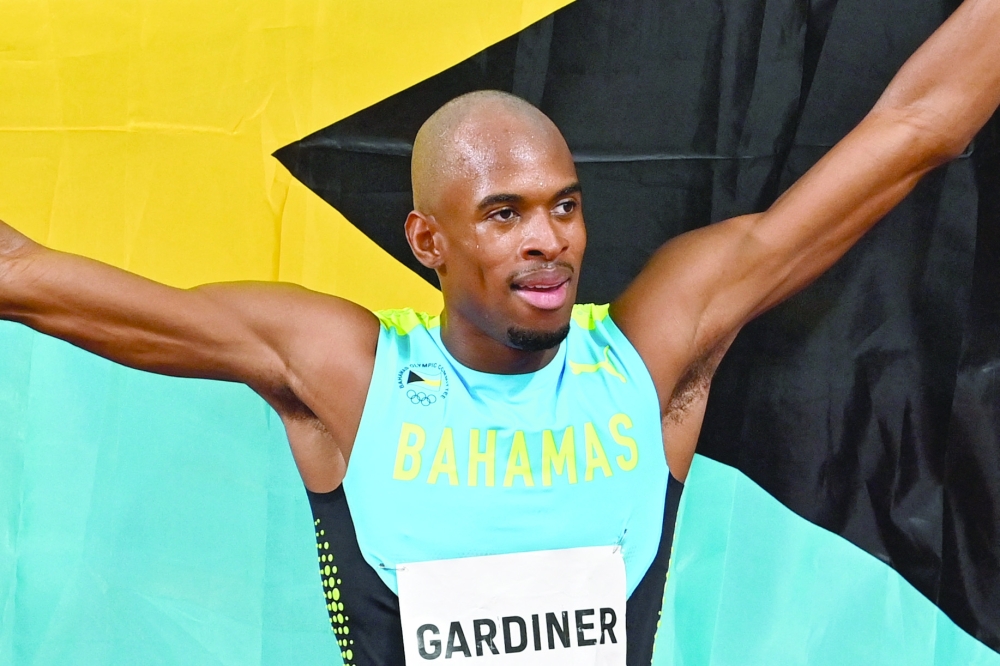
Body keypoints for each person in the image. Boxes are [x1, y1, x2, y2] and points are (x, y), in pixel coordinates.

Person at [2, 0, 1000, 663]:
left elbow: (918, 129)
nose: (549, 243)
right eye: (504, 213)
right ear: (425, 237)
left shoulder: (651, 352)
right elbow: (24, 277)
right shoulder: (346, 372)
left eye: (563, 206)